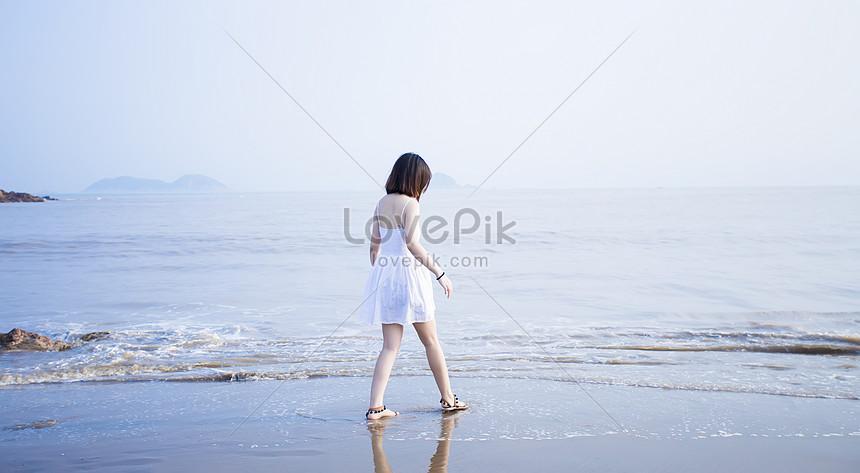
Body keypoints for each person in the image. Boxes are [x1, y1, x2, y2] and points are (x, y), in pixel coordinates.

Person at [359, 152, 468, 420]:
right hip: (410, 279)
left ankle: (376, 407)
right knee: (431, 341)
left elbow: (374, 246)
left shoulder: (381, 203)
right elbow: (412, 244)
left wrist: (381, 275)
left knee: (389, 347)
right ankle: (448, 398)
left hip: (386, 278)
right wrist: (440, 273)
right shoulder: (411, 204)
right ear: (416, 180)